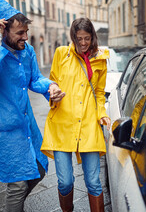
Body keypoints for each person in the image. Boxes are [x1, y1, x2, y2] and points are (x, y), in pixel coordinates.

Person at [0, 0, 65, 212]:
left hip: (26, 124)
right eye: (19, 33)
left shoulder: (27, 51)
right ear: (3, 31)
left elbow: (35, 79)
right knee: (17, 185)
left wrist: (50, 87)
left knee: (40, 168)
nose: (25, 37)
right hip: (3, 129)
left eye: (26, 31)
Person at [41, 18, 111, 212]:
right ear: (73, 37)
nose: (82, 43)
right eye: (79, 38)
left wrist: (102, 114)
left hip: (88, 125)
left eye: (87, 38)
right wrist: (53, 94)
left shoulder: (100, 58)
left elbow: (99, 92)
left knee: (93, 182)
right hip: (62, 124)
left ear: (92, 37)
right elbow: (52, 82)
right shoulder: (61, 54)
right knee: (65, 182)